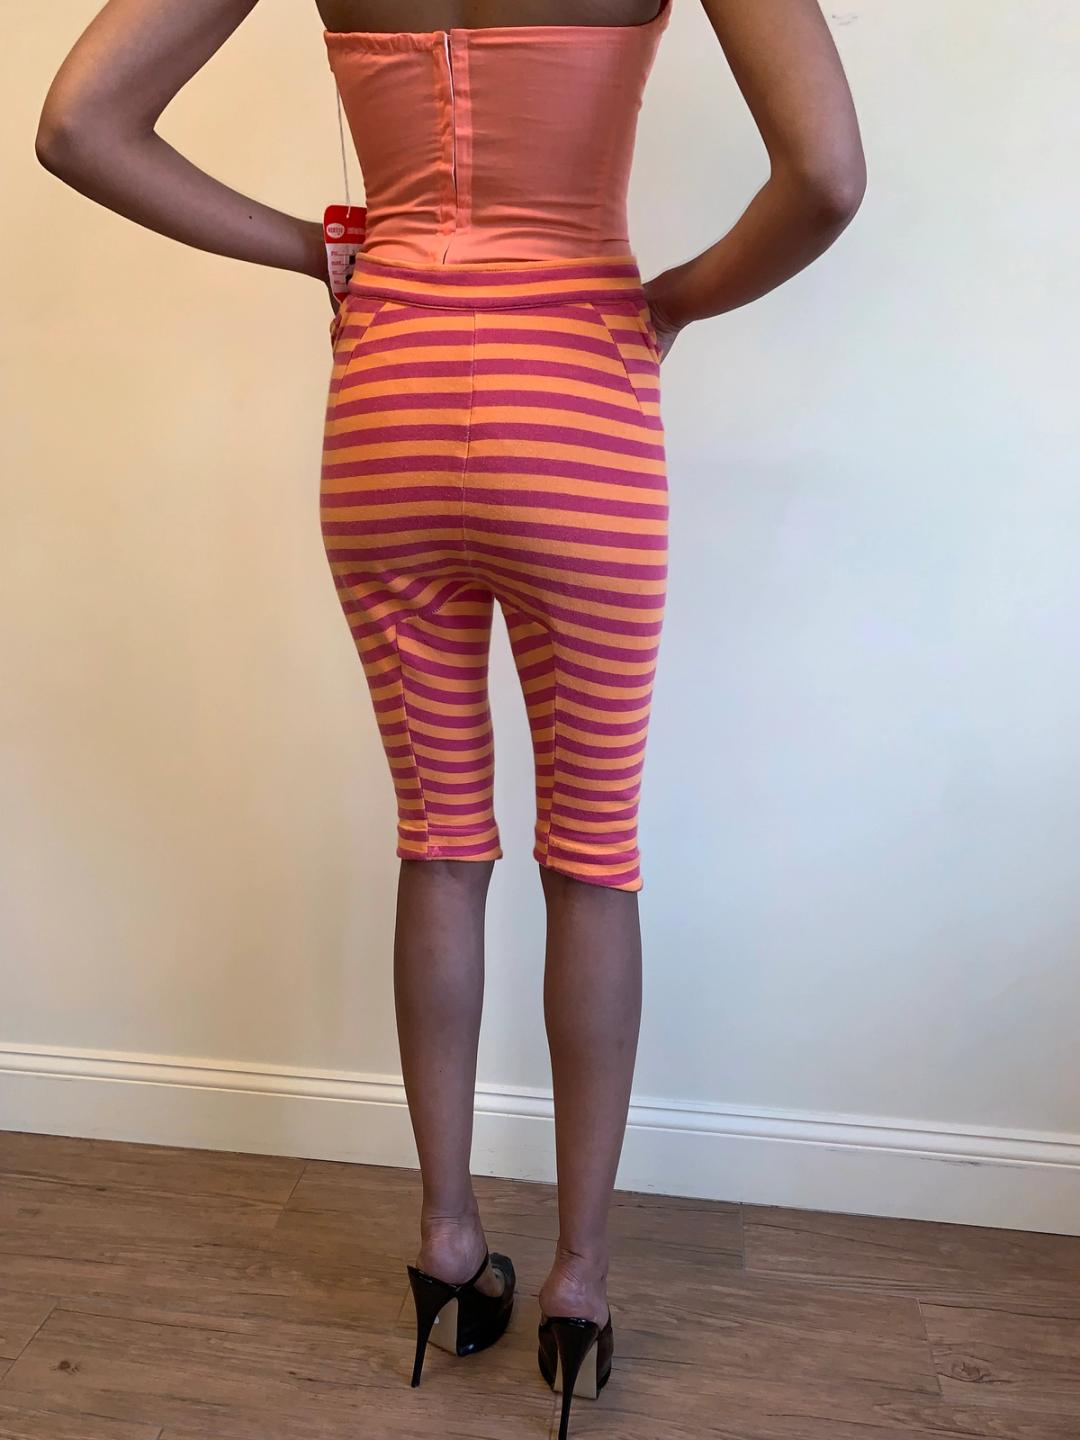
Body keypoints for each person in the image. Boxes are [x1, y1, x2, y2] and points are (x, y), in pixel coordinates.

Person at [36, 2, 864, 1434]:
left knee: (439, 839)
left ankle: (446, 1240)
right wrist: (671, 298)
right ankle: (581, 1283)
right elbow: (827, 177)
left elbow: (78, 125)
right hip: (580, 404)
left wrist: (317, 247)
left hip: (388, 406)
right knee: (592, 856)